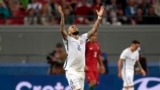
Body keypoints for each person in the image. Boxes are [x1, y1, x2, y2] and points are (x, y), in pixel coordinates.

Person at [57, 5, 104, 90]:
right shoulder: (68, 39)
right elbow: (62, 30)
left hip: (81, 71)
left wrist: (99, 17)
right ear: (69, 32)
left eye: (75, 26)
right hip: (71, 71)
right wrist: (62, 16)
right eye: (71, 27)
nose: (74, 26)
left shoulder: (83, 38)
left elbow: (93, 30)